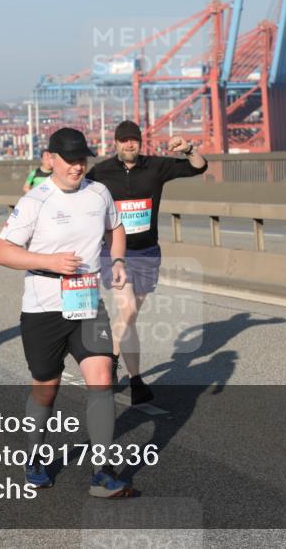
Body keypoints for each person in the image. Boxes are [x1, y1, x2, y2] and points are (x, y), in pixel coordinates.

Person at [0, 127, 134, 498]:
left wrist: (117, 259)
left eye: (82, 160)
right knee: (45, 390)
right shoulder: (35, 201)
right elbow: (2, 252)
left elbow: (116, 228)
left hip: (87, 302)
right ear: (51, 159)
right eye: (70, 160)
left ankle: (103, 472)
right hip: (43, 308)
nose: (77, 167)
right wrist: (49, 261)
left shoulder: (99, 191)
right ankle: (34, 456)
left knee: (102, 377)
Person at [85, 120, 208, 405]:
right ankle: (116, 367)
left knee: (129, 318)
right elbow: (79, 200)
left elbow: (198, 167)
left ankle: (130, 375)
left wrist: (188, 148)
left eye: (134, 140)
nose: (130, 145)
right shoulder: (100, 173)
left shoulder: (156, 167)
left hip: (147, 253)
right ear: (115, 142)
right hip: (114, 253)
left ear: (140, 143)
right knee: (126, 309)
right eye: (124, 140)